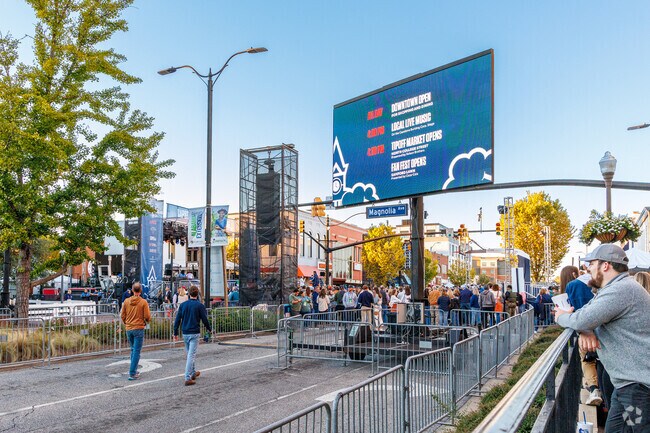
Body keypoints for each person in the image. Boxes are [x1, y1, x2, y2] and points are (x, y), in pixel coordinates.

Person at [555, 244, 650, 432]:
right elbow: (587, 317)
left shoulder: (621, 290)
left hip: (637, 387)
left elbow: (582, 318)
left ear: (605, 265)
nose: (588, 269)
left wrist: (560, 316)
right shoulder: (614, 289)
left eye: (591, 263)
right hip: (628, 385)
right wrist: (586, 330)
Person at [561, 265, 601, 406]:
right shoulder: (600, 281)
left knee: (587, 361)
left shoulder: (572, 286)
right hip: (603, 328)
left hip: (583, 330)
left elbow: (570, 308)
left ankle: (594, 389)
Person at [173, 285, 212, 386]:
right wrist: (209, 328)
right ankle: (187, 377)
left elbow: (177, 319)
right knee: (191, 354)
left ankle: (193, 372)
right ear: (197, 294)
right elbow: (204, 319)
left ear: (189, 294)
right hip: (194, 332)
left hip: (185, 332)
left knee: (190, 353)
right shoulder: (200, 306)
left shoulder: (183, 305)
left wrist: (175, 332)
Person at [120, 283, 151, 381]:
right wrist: (147, 321)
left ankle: (134, 370)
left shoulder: (126, 301)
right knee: (136, 351)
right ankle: (132, 373)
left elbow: (122, 315)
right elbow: (147, 316)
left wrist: (126, 323)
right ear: (140, 291)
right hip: (138, 327)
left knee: (133, 350)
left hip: (129, 328)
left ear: (133, 290)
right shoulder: (143, 302)